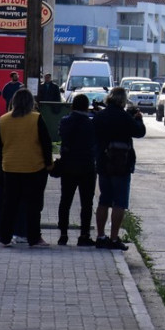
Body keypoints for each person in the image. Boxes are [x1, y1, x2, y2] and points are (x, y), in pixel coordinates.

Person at [0, 88, 53, 247]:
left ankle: (5, 237)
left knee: (10, 204)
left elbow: (0, 146)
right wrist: (49, 164)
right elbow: (46, 143)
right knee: (34, 206)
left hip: (10, 167)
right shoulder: (36, 119)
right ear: (31, 103)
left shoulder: (4, 119)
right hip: (34, 167)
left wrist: (2, 163)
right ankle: (34, 238)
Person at [93, 87, 146, 250]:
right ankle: (114, 238)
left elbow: (93, 134)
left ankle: (101, 236)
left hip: (103, 163)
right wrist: (138, 119)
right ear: (123, 100)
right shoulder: (124, 117)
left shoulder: (100, 116)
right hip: (121, 165)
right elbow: (139, 132)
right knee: (119, 203)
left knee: (104, 200)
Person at [57, 93, 97, 247]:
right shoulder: (91, 123)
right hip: (87, 166)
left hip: (68, 166)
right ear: (86, 107)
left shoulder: (65, 121)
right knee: (86, 203)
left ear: (73, 105)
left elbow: (61, 135)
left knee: (65, 201)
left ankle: (63, 234)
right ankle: (84, 235)